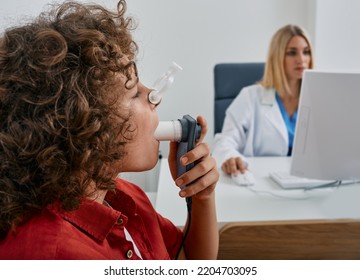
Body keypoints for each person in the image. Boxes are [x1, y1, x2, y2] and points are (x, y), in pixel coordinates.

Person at [0, 0, 219, 260]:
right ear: (85, 124)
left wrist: (202, 198)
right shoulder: (54, 256)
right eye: (135, 92)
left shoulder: (124, 196)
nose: (153, 96)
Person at [212, 24, 314, 176]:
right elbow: (224, 141)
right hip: (262, 179)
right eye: (292, 53)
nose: (301, 59)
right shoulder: (250, 96)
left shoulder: (316, 97)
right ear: (277, 57)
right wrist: (230, 157)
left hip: (309, 180)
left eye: (306, 52)